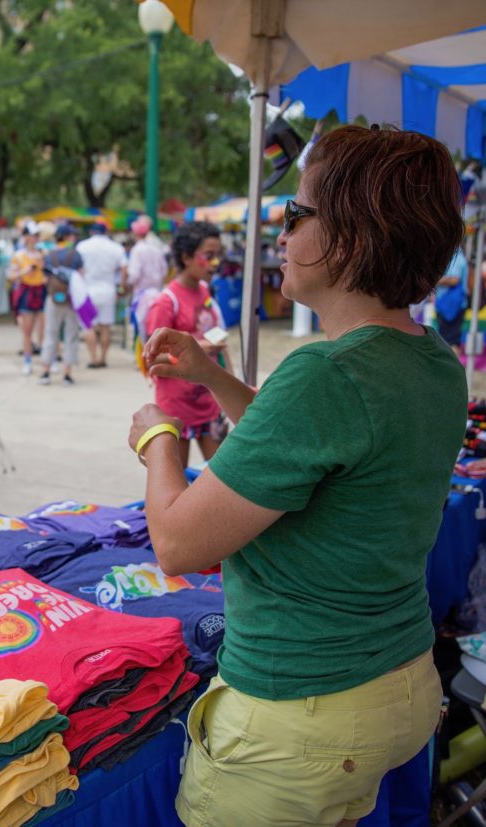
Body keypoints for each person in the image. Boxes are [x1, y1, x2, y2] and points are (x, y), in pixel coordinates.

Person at [133, 125, 466, 827]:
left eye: (296, 213)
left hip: (299, 712)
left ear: (352, 234)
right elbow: (315, 452)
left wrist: (159, 436)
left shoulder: (327, 373)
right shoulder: (432, 362)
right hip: (397, 684)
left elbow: (177, 544)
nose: (279, 234)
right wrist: (211, 374)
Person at [145, 221, 230, 466]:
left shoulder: (205, 291)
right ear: (186, 257)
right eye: (209, 256)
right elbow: (150, 357)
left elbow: (219, 341)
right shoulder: (165, 302)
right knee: (176, 483)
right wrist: (198, 349)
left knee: (220, 477)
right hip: (177, 408)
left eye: (218, 255)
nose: (215, 263)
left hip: (209, 402)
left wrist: (231, 384)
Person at [76, 221, 127, 368]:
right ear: (106, 232)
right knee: (106, 327)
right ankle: (103, 358)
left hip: (88, 289)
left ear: (92, 232)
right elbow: (124, 267)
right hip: (108, 290)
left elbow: (78, 268)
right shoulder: (116, 248)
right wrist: (122, 288)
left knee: (88, 326)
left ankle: (93, 357)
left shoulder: (82, 246)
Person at [38, 223, 84, 387]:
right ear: (67, 237)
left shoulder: (50, 255)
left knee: (51, 333)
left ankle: (45, 371)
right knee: (71, 335)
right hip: (72, 300)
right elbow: (80, 276)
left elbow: (44, 279)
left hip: (53, 299)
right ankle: (67, 374)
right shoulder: (75, 254)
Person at [7, 221, 47, 375]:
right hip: (27, 292)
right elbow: (12, 276)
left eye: (37, 235)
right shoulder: (19, 256)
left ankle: (46, 360)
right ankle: (27, 360)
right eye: (33, 235)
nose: (36, 238)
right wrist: (26, 271)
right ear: (27, 237)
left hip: (40, 291)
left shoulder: (42, 254)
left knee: (43, 329)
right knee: (27, 330)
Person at [126, 215, 169, 338]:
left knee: (140, 330)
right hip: (156, 293)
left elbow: (134, 275)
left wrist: (128, 285)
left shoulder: (137, 250)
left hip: (141, 295)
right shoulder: (156, 249)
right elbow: (164, 270)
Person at [435, 246, 469, 355]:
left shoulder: (455, 258)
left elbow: (454, 279)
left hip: (451, 306)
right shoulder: (459, 257)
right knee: (450, 338)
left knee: (449, 340)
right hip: (452, 305)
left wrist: (434, 281)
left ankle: (450, 368)